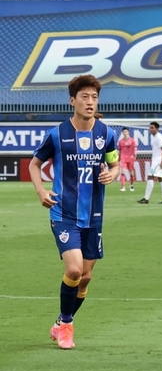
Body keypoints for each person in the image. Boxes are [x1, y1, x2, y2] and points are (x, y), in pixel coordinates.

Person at [29, 74, 120, 349]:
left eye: (94, 97)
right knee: (74, 269)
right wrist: (41, 192)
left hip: (93, 216)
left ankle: (60, 322)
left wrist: (114, 173)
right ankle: (67, 326)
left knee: (86, 277)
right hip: (63, 214)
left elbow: (114, 163)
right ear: (73, 101)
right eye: (85, 97)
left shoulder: (107, 134)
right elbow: (34, 164)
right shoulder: (57, 134)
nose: (90, 102)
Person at [137, 121, 162, 204]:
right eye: (150, 128)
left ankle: (146, 198)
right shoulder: (155, 137)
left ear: (157, 128)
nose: (150, 129)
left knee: (150, 177)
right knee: (161, 179)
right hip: (157, 160)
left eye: (152, 128)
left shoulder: (159, 137)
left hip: (158, 161)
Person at [118, 127, 137, 192]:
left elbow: (135, 148)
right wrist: (119, 158)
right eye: (124, 132)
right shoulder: (120, 142)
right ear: (122, 133)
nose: (125, 133)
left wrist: (134, 155)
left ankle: (131, 185)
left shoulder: (132, 140)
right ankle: (123, 187)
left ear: (128, 132)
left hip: (130, 158)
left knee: (131, 172)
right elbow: (119, 150)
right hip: (123, 158)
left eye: (126, 131)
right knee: (123, 171)